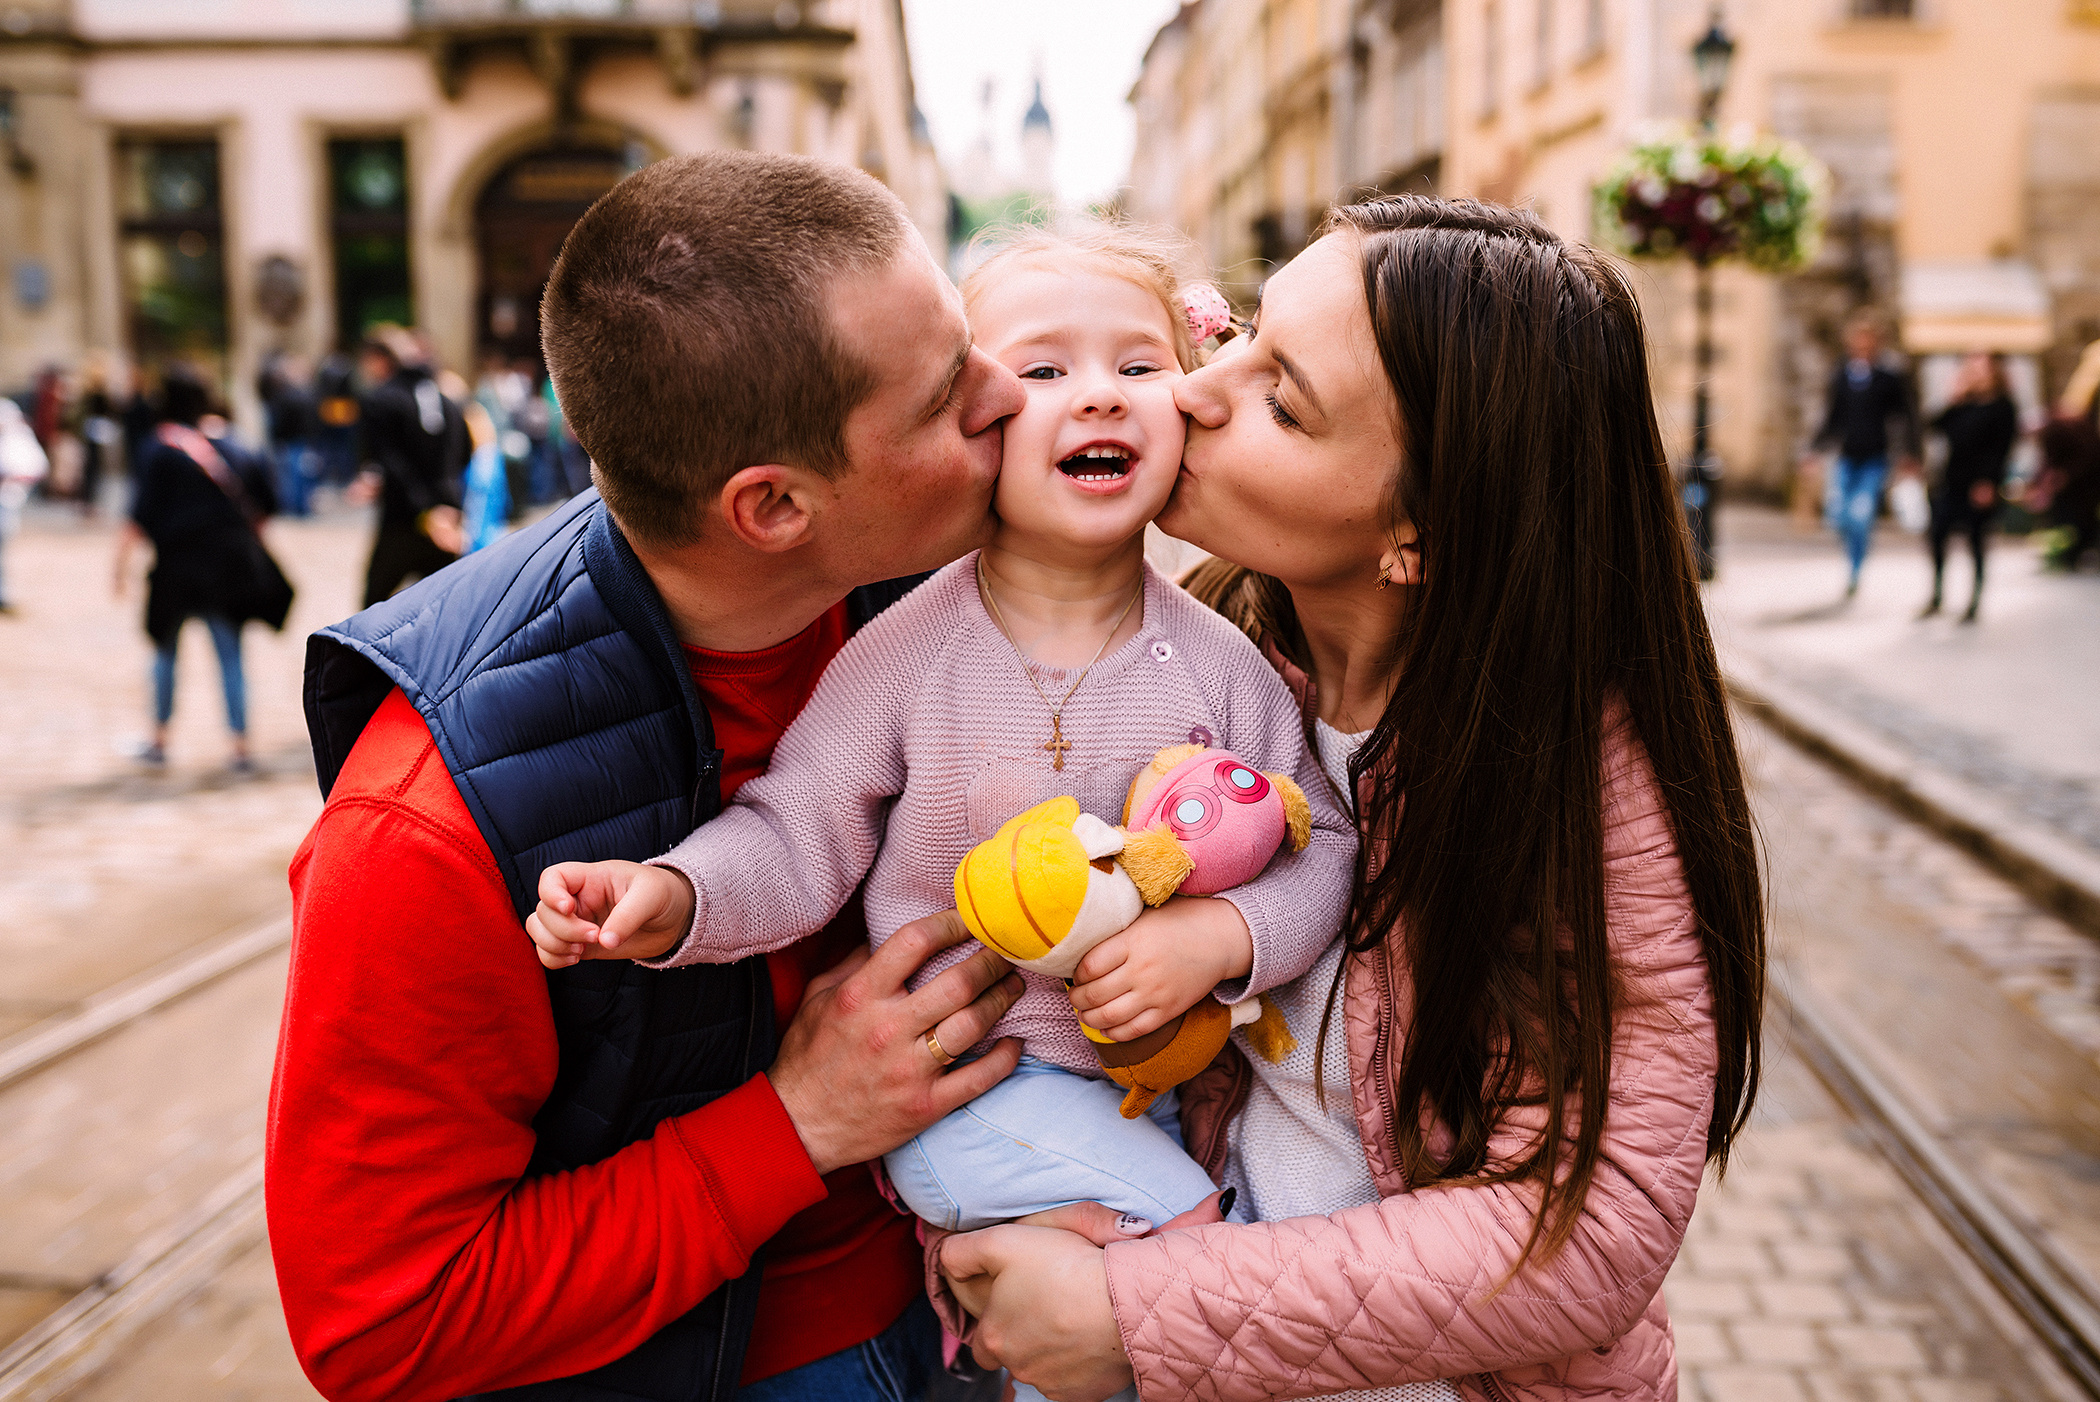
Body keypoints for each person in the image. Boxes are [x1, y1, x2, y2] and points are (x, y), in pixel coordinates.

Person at [931, 197, 1766, 1402]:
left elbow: (1593, 1222)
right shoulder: (1202, 653)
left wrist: (1141, 1314)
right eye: (1246, 335)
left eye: (1283, 399)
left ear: (1415, 534)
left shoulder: (1568, 769)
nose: (1198, 389)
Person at [267, 151, 1035, 1402]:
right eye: (950, 395)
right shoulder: (423, 825)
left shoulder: (931, 571)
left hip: (974, 1296)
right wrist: (792, 1128)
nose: (1009, 396)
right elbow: (382, 1324)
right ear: (774, 506)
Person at [525, 224, 1354, 1261]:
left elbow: (1321, 846)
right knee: (1197, 1248)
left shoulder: (1219, 660)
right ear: (978, 418)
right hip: (969, 1096)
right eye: (1045, 369)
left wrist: (1225, 935)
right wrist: (678, 895)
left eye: (1138, 365)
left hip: (1151, 1100)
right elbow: (797, 832)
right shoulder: (905, 656)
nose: (1099, 393)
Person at [113, 365, 290, 772]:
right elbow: (266, 508)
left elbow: (138, 519)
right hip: (226, 570)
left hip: (174, 569)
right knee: (230, 656)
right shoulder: (234, 444)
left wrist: (118, 568)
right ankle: (240, 747)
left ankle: (158, 740)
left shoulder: (158, 448)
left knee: (164, 653)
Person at [348, 328, 467, 605]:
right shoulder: (447, 399)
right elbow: (464, 453)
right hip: (447, 515)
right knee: (446, 608)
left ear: (379, 360)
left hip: (405, 518)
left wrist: (425, 511)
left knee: (372, 607)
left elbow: (388, 462)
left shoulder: (380, 400)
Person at [1808, 314, 1918, 596]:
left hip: (1875, 457)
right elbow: (1832, 417)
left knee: (1860, 514)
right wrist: (1815, 450)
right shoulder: (1843, 374)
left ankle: (1855, 569)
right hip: (1847, 456)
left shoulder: (1889, 376)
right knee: (1837, 516)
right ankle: (1853, 554)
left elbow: (1905, 417)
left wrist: (1910, 452)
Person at [1920, 353, 2019, 622]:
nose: (1976, 374)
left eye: (1981, 369)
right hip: (1952, 480)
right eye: (1971, 369)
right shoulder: (1962, 405)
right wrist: (1953, 398)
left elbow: (2002, 449)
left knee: (1976, 540)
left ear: (1994, 373)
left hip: (1981, 483)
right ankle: (1937, 595)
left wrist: (1989, 482)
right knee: (1937, 535)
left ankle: (1974, 601)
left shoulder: (2003, 406)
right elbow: (1933, 426)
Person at [0, 397, 49, 614]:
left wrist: (12, 480)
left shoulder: (17, 438)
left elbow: (36, 467)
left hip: (7, 501)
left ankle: (3, 595)